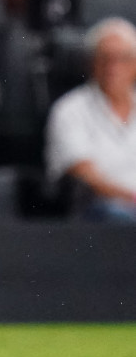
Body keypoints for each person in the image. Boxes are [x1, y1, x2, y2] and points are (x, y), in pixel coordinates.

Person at [45, 17, 136, 224]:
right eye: (105, 58)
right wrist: (132, 198)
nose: (113, 67)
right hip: (102, 211)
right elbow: (85, 176)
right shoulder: (69, 110)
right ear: (92, 63)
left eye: (123, 59)